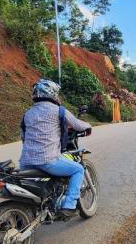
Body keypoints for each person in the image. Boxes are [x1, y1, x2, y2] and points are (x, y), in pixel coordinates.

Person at [20, 79, 92, 219]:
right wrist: (88, 126)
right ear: (52, 94)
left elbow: (23, 136)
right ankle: (69, 205)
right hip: (48, 161)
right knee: (78, 169)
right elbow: (77, 125)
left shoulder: (27, 115)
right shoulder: (59, 111)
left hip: (26, 162)